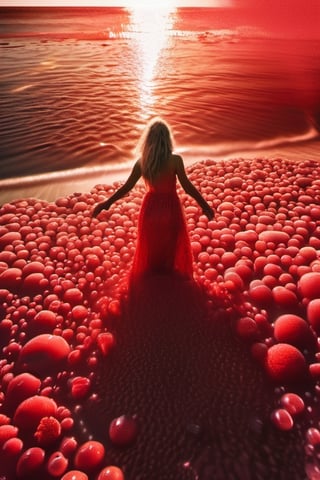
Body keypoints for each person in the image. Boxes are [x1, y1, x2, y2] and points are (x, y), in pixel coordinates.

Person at [92, 119, 214, 280]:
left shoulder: (142, 163)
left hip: (150, 208)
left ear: (148, 140)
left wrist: (106, 203)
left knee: (151, 249)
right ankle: (167, 285)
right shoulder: (175, 160)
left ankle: (152, 282)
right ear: (167, 139)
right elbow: (187, 187)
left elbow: (126, 188)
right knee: (170, 249)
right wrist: (205, 205)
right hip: (171, 209)